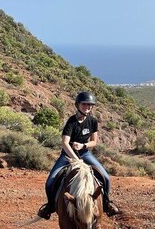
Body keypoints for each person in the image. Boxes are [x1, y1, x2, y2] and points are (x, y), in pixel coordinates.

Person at [36, 91, 121, 219]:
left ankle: (107, 203)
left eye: (89, 105)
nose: (87, 107)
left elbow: (94, 141)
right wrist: (76, 160)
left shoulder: (92, 121)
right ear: (78, 105)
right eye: (84, 104)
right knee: (50, 180)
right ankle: (50, 206)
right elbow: (65, 143)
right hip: (68, 155)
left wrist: (83, 146)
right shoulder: (71, 122)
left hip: (85, 153)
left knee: (106, 177)